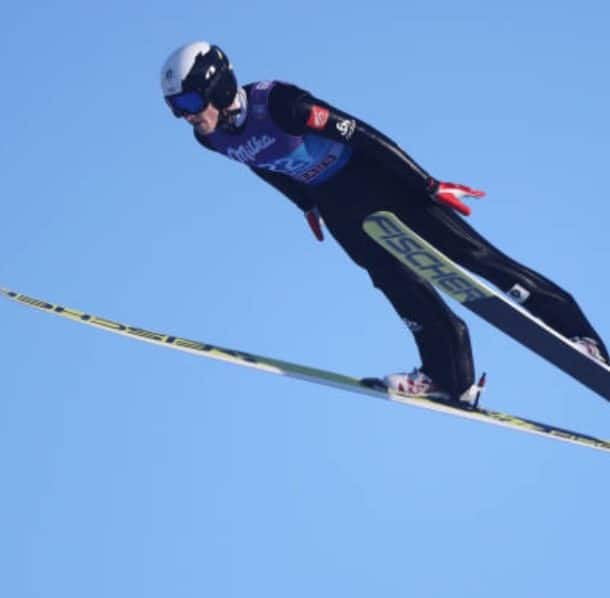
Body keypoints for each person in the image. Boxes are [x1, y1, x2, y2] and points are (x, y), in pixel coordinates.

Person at [160, 40, 608, 403]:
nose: (187, 114)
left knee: (473, 257)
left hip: (376, 180)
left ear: (218, 87)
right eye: (175, 107)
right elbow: (261, 164)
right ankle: (449, 377)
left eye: (190, 100)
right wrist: (306, 206)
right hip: (334, 202)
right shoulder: (211, 139)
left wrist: (427, 184)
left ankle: (579, 337)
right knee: (395, 282)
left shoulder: (279, 103)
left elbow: (360, 132)